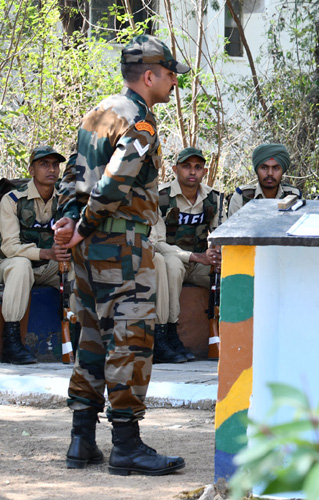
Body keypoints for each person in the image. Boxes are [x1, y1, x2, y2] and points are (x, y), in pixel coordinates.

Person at [53, 34, 186, 475]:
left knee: (91, 335)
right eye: (169, 75)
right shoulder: (141, 123)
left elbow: (76, 174)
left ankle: (81, 441)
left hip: (90, 250)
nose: (173, 83)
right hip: (122, 246)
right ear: (149, 76)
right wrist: (86, 225)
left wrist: (71, 221)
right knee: (130, 340)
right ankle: (126, 446)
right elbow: (112, 184)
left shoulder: (97, 114)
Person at [150, 147, 222, 363]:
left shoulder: (213, 198)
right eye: (186, 166)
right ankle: (167, 336)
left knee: (231, 275)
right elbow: (158, 243)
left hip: (201, 262)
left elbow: (221, 234)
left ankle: (230, 337)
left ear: (204, 171)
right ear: (175, 169)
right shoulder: (161, 197)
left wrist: (218, 257)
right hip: (173, 258)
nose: (192, 172)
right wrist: (195, 257)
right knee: (170, 266)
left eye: (198, 167)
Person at [0, 146, 70, 365]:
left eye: (55, 165)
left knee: (80, 268)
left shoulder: (66, 200)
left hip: (51, 268)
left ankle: (83, 338)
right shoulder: (12, 200)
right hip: (14, 266)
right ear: (31, 169)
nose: (52, 169)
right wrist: (45, 252)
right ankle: (11, 342)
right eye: (44, 164)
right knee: (20, 265)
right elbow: (10, 247)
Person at [226, 143, 302, 216]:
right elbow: (233, 228)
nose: (270, 173)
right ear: (257, 170)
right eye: (264, 168)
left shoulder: (293, 196)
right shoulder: (241, 197)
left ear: (282, 171)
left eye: (276, 168)